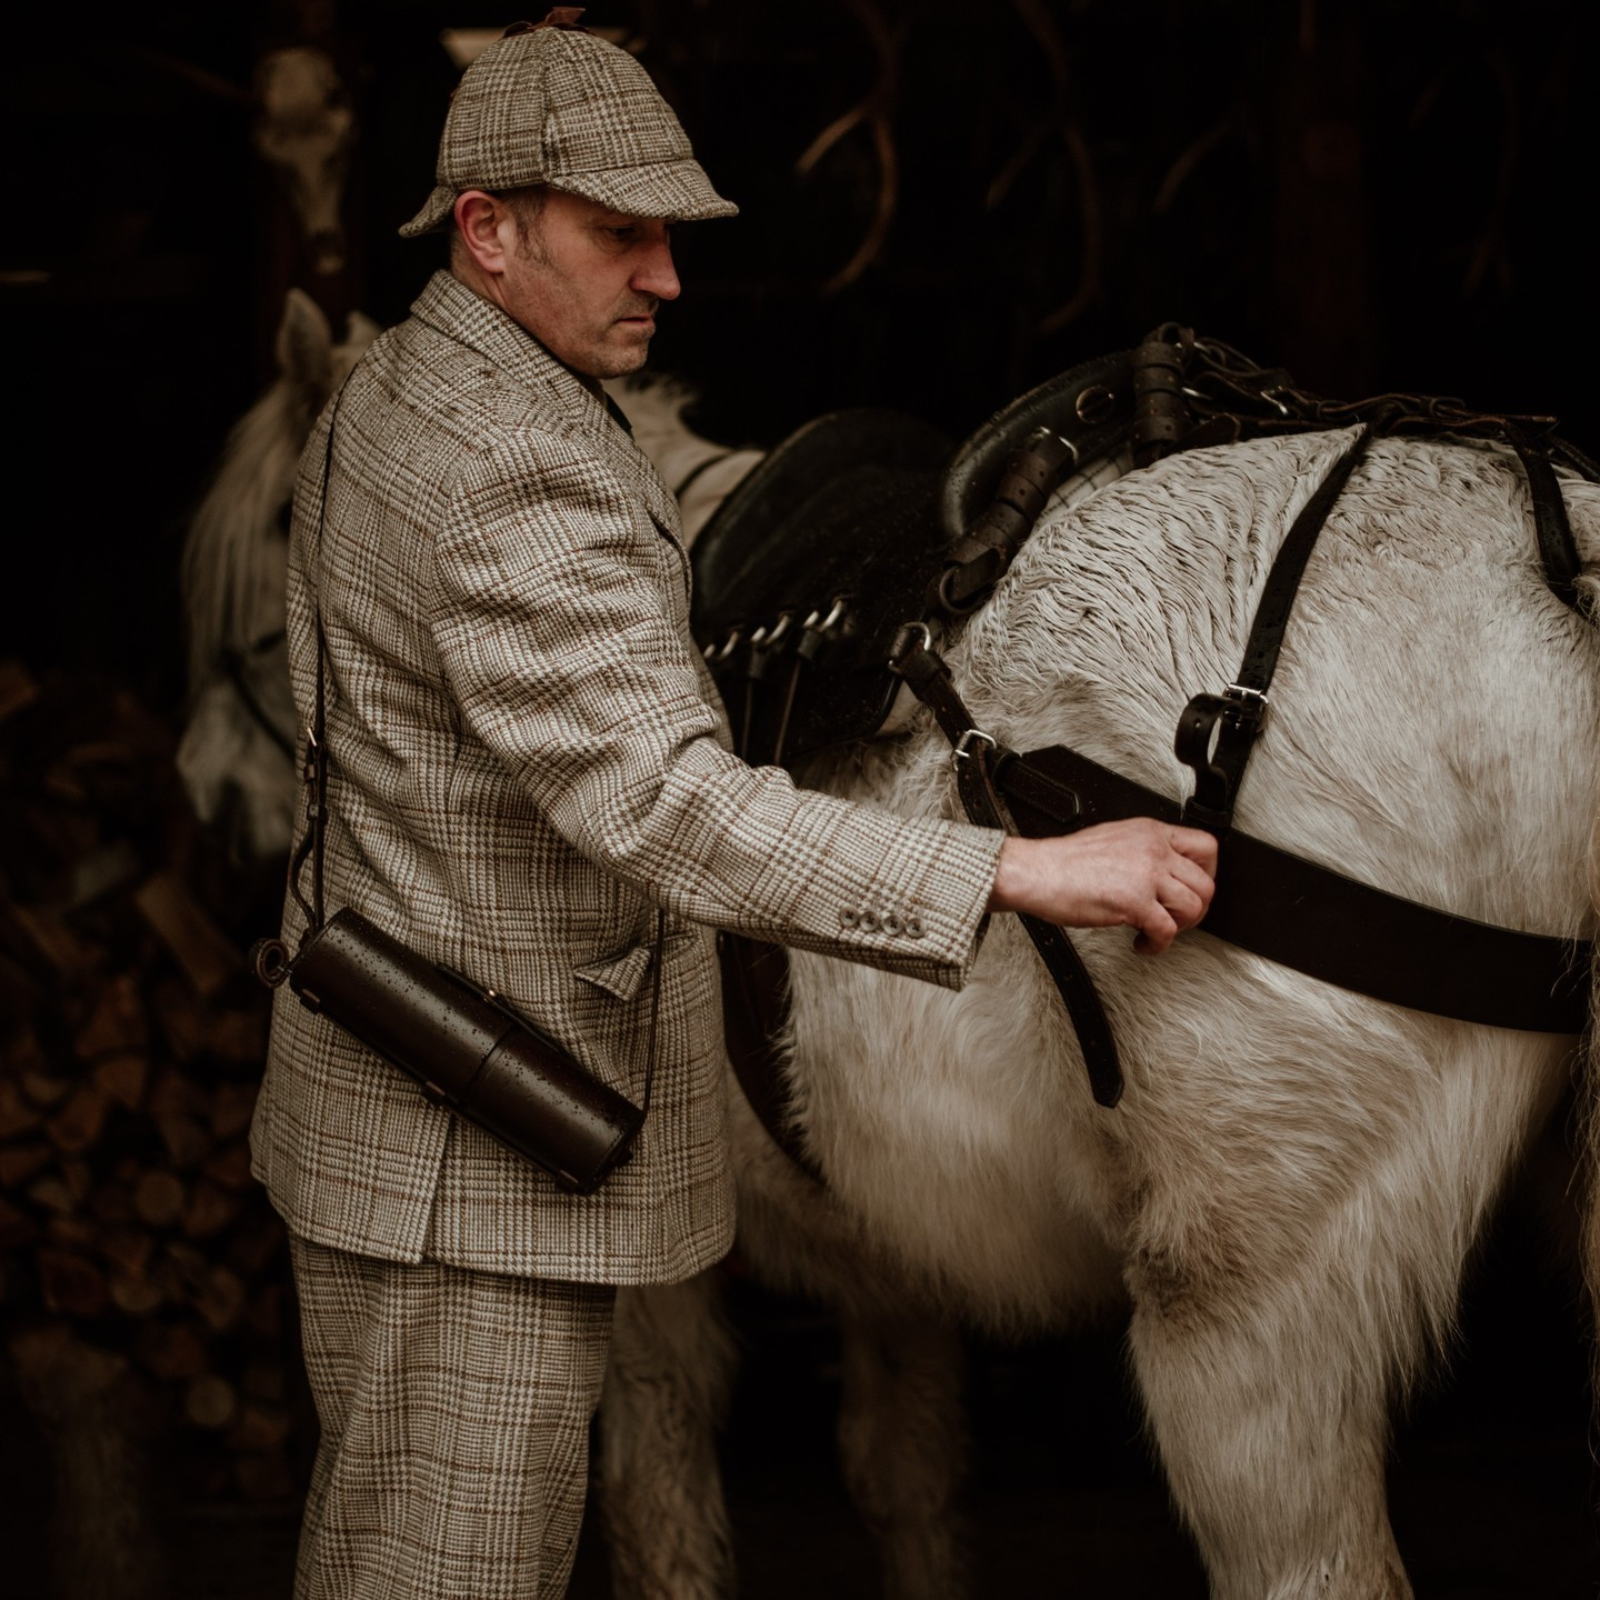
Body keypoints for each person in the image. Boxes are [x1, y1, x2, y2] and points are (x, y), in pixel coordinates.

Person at [250, 12, 1218, 1597]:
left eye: (672, 236)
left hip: (389, 1078)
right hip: (470, 1171)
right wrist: (1021, 870)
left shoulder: (403, 385)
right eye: (620, 235)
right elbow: (668, 806)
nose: (668, 279)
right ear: (487, 230)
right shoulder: (510, 460)